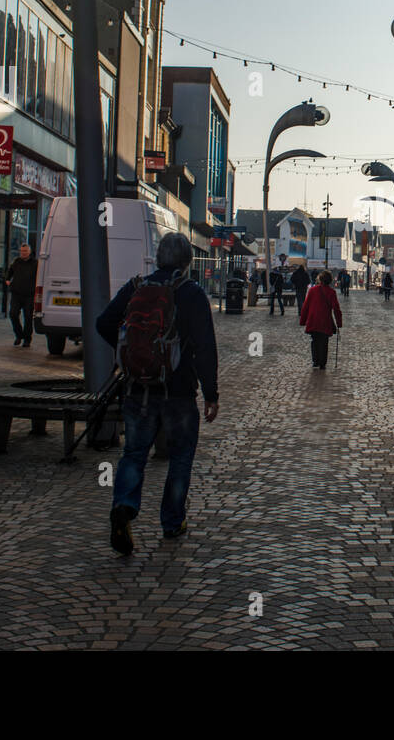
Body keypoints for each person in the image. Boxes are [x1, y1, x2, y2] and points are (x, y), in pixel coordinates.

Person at [97, 232, 219, 555]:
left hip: (138, 389)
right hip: (178, 392)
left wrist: (128, 353)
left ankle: (123, 507)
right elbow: (206, 348)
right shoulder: (191, 294)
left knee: (134, 454)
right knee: (180, 457)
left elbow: (103, 322)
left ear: (158, 258)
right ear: (187, 262)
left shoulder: (137, 287)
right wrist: (211, 393)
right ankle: (172, 522)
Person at [300, 270, 343, 369]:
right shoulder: (331, 292)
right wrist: (339, 323)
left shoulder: (312, 290)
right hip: (325, 321)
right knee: (324, 342)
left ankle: (315, 361)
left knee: (314, 340)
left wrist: (303, 320)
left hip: (313, 320)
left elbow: (305, 307)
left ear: (320, 279)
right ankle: (322, 363)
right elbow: (336, 309)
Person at [5, 243, 37, 348]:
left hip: (29, 295)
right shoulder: (16, 262)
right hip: (16, 294)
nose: (23, 253)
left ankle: (27, 339)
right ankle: (19, 335)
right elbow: (10, 272)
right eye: (21, 251)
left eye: (25, 251)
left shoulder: (35, 263)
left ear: (29, 252)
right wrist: (7, 280)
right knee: (13, 314)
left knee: (28, 317)